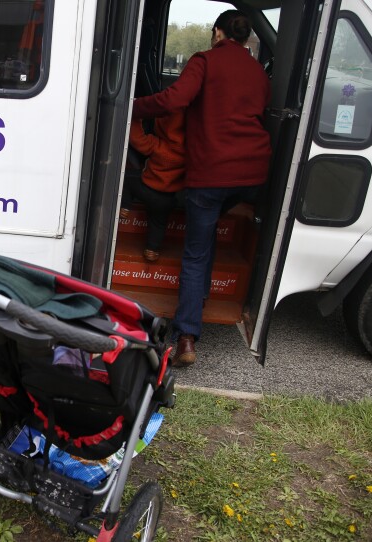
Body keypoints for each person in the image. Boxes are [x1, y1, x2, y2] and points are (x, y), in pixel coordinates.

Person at [131, 10, 271, 367]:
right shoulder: (258, 70)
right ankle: (202, 292)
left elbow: (174, 100)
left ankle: (187, 336)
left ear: (217, 33)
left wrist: (130, 106)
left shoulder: (204, 61)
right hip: (253, 174)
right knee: (206, 238)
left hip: (212, 173)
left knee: (196, 252)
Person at [123, 108, 186, 262]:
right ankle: (152, 250)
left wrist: (136, 116)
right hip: (167, 199)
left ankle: (124, 206)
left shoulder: (158, 145)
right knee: (158, 224)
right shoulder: (190, 152)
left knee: (126, 179)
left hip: (147, 189)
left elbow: (137, 140)